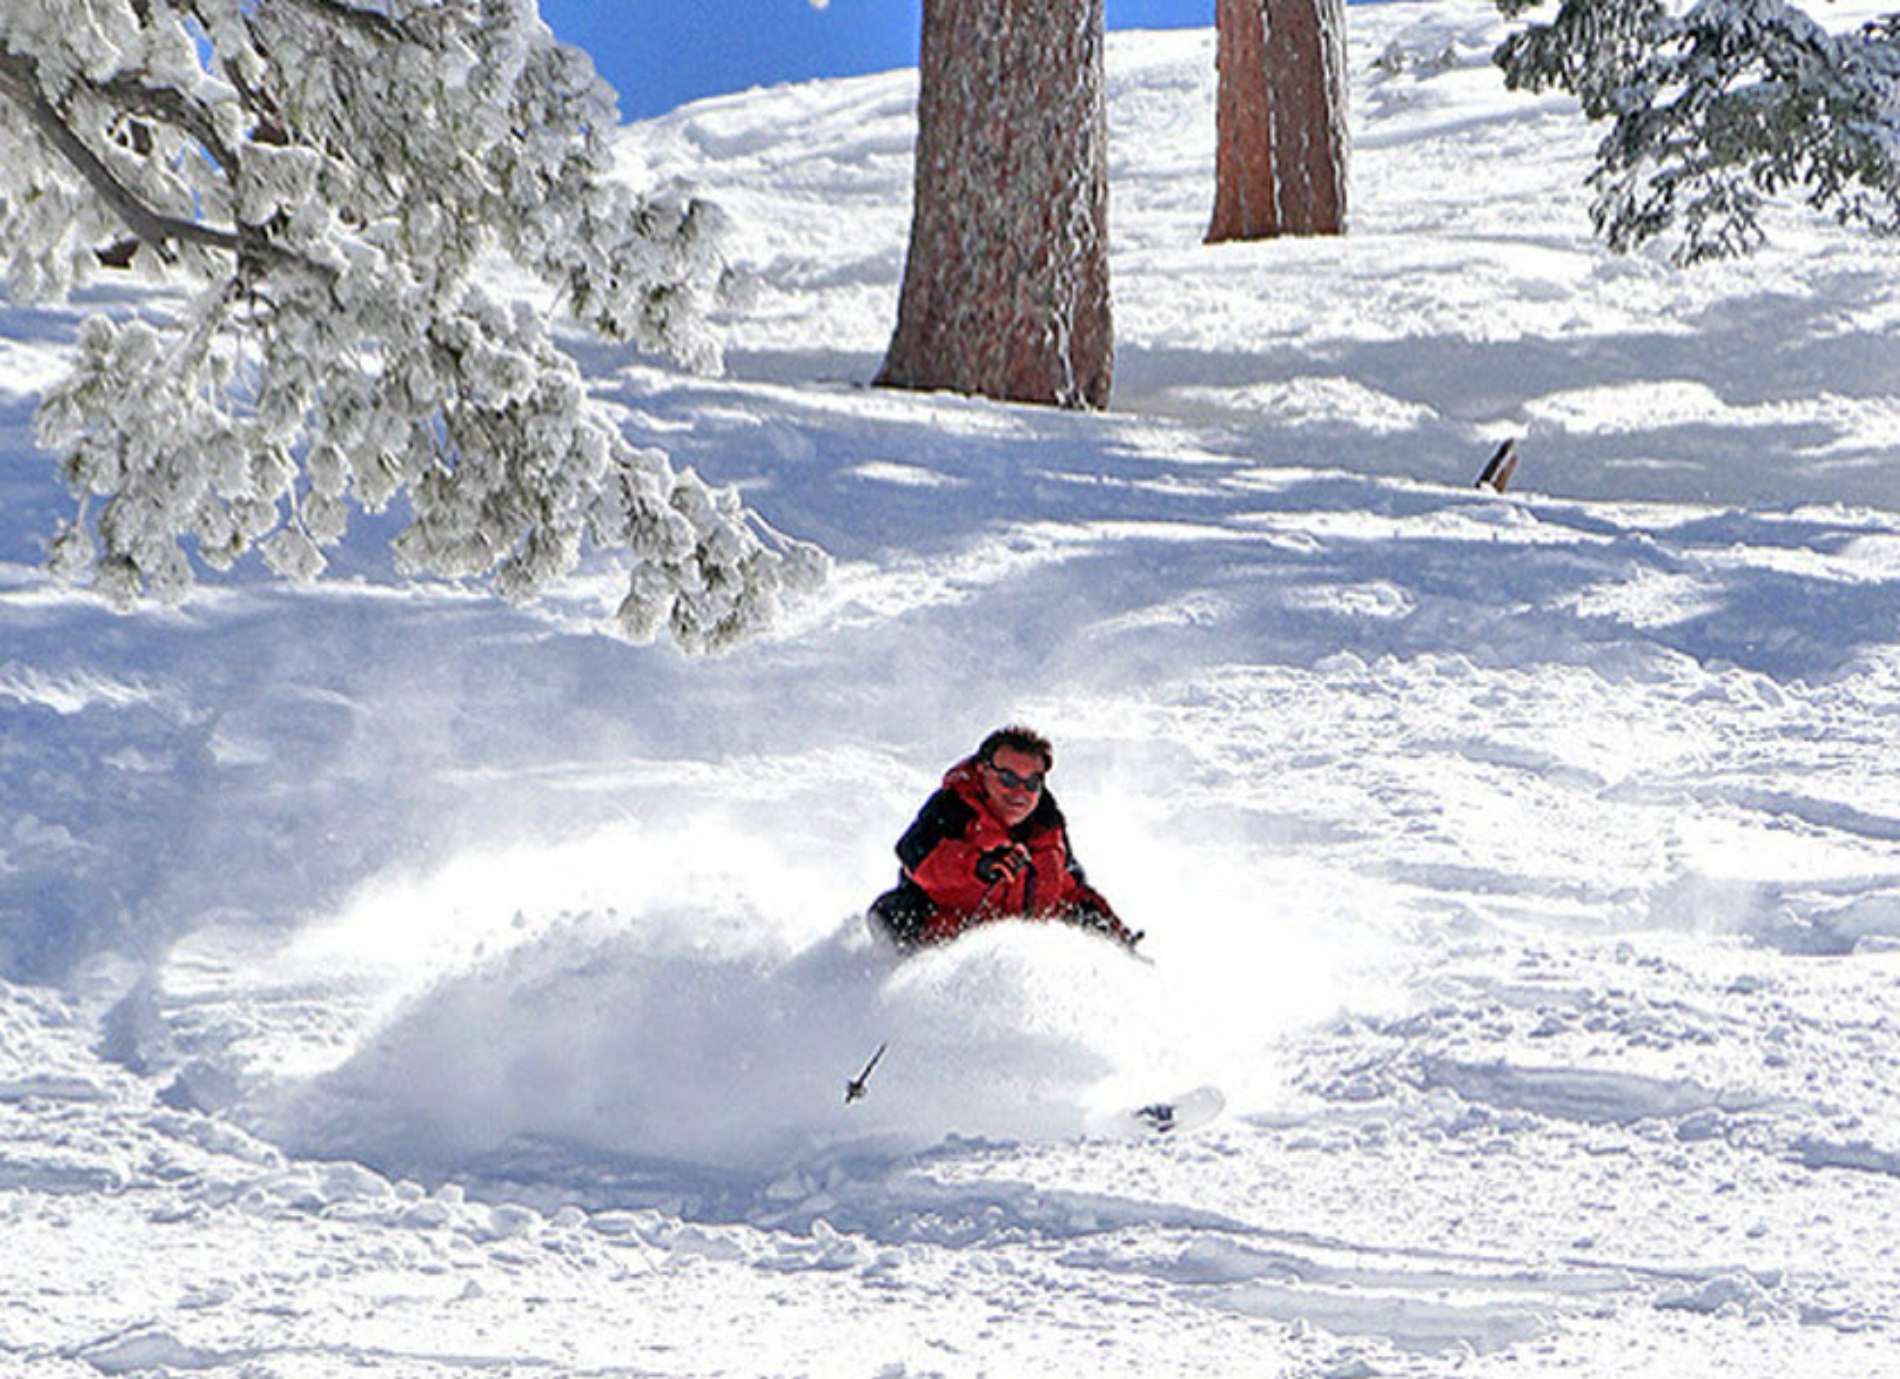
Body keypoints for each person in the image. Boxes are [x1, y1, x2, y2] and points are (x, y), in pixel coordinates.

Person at [868, 726, 1140, 951]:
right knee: (896, 914)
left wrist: (1118, 942)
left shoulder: (1049, 830)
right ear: (984, 771)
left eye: (1031, 783)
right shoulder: (955, 806)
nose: (1019, 792)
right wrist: (978, 865)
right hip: (934, 949)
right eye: (1008, 778)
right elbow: (916, 855)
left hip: (1011, 965)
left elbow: (1073, 896)